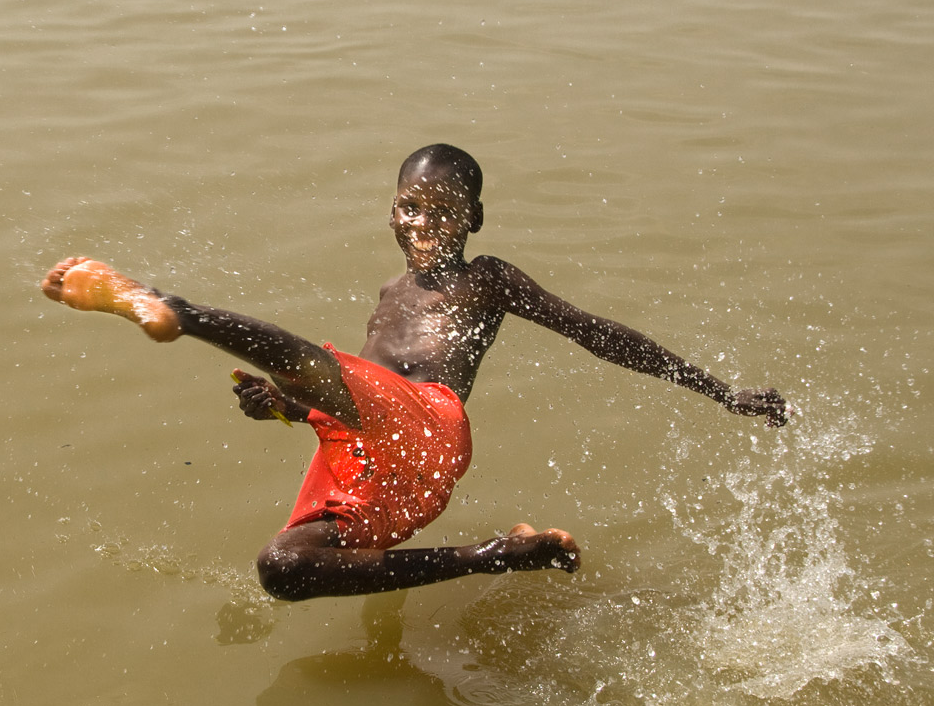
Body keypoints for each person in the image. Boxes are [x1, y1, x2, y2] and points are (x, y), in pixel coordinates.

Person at [40, 144, 788, 602]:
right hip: (370, 465)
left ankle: (171, 308)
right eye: (410, 206)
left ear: (475, 220)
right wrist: (288, 410)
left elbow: (596, 334)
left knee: (315, 361)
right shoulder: (389, 297)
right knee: (281, 568)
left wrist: (721, 392)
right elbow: (358, 399)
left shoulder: (486, 280)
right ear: (390, 213)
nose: (425, 221)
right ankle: (492, 556)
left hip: (430, 430)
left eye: (444, 209)